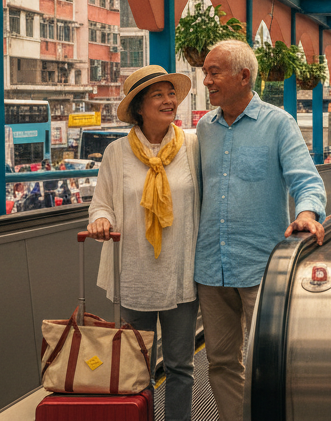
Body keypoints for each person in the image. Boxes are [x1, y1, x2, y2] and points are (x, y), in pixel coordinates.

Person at [195, 40, 327, 421]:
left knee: (267, 361)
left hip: (261, 267)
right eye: (205, 71)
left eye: (214, 72)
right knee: (220, 361)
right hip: (210, 267)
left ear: (244, 76)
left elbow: (308, 181)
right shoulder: (205, 128)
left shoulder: (278, 124)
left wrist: (306, 214)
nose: (207, 80)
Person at [87, 65, 200, 421]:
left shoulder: (192, 147)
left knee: (181, 366)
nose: (169, 101)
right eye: (159, 95)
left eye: (171, 94)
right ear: (139, 107)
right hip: (134, 272)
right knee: (138, 370)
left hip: (180, 272)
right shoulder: (116, 153)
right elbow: (101, 203)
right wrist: (101, 219)